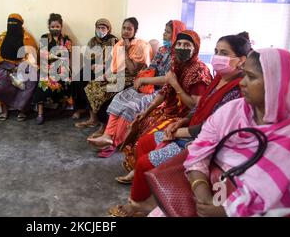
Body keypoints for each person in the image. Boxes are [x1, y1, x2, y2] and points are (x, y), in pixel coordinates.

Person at [109, 32, 251, 217]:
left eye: (224, 53)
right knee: (144, 141)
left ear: (241, 60)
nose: (217, 57)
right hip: (186, 123)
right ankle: (149, 195)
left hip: (200, 141)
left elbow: (212, 125)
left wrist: (179, 131)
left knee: (145, 161)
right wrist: (182, 121)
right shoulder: (218, 78)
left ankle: (137, 205)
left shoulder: (236, 89)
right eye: (216, 51)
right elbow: (200, 108)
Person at [147, 48, 290, 217]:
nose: (243, 83)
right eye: (244, 74)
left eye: (252, 77)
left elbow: (282, 202)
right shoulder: (233, 111)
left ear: (277, 82)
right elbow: (198, 150)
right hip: (202, 194)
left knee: (150, 153)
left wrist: (228, 212)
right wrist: (203, 194)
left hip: (242, 210)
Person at [119, 30, 212, 182]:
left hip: (184, 118)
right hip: (168, 109)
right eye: (179, 44)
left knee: (149, 134)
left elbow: (195, 106)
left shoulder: (199, 72)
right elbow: (164, 91)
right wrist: (146, 111)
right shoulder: (177, 64)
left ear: (195, 48)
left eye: (187, 45)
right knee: (141, 122)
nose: (182, 47)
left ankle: (144, 172)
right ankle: (139, 168)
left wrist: (176, 84)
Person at [87, 20, 186, 157]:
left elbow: (167, 80)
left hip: (161, 91)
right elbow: (152, 67)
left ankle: (114, 143)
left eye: (168, 32)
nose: (164, 34)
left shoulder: (178, 57)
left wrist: (144, 80)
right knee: (119, 98)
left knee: (131, 106)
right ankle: (107, 134)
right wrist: (143, 78)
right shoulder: (163, 50)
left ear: (176, 34)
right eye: (164, 30)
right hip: (147, 84)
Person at [80, 17, 152, 154]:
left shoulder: (142, 46)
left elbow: (133, 70)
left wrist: (125, 51)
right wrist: (105, 74)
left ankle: (104, 128)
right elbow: (112, 65)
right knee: (92, 86)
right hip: (116, 76)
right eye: (124, 28)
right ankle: (100, 122)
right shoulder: (118, 44)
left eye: (129, 29)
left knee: (104, 93)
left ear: (135, 31)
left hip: (131, 79)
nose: (125, 31)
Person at [0, 14, 38, 121]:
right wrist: (9, 66)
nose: (12, 25)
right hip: (5, 66)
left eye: (14, 23)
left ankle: (22, 109)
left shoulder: (27, 38)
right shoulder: (2, 37)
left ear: (21, 24)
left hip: (24, 66)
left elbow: (32, 56)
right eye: (9, 23)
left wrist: (20, 66)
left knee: (31, 80)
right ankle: (4, 109)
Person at [71, 18, 118, 123]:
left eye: (103, 28)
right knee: (76, 80)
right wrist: (91, 65)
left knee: (89, 82)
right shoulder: (92, 41)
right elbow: (87, 58)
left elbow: (116, 60)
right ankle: (81, 109)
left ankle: (93, 114)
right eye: (98, 27)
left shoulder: (113, 40)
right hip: (92, 67)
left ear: (108, 29)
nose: (100, 30)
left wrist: (102, 66)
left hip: (107, 69)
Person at [32, 13, 73, 125]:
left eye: (57, 26)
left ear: (61, 26)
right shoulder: (44, 38)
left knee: (67, 81)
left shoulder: (66, 39)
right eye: (53, 27)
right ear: (49, 27)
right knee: (43, 83)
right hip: (47, 67)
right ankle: (40, 113)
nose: (55, 29)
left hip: (62, 67)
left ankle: (62, 107)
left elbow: (67, 55)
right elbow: (43, 56)